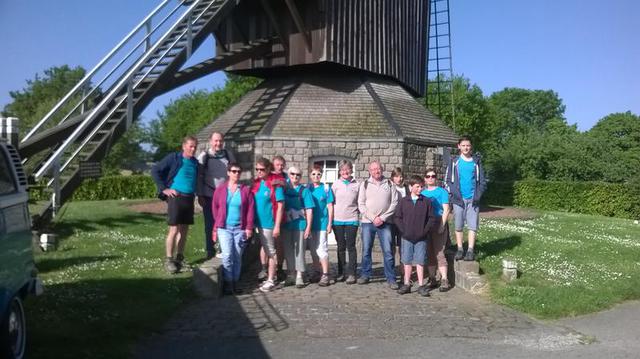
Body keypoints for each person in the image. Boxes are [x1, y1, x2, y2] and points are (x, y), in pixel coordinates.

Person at [151, 135, 199, 274]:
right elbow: (155, 170)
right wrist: (164, 189)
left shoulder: (195, 162)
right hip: (175, 198)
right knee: (174, 230)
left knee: (184, 231)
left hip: (189, 198)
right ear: (184, 146)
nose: (193, 149)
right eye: (190, 146)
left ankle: (179, 258)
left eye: (195, 146)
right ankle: (169, 260)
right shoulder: (174, 158)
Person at [212, 163, 255, 295]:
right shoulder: (220, 189)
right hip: (224, 228)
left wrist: (248, 227)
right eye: (234, 171)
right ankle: (228, 283)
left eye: (238, 171)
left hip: (240, 228)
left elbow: (250, 210)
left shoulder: (245, 190)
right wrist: (216, 225)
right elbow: (215, 208)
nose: (236, 174)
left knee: (237, 256)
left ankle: (234, 283)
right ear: (228, 173)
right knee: (227, 255)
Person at [357, 161, 399, 289]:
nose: (376, 171)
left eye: (378, 169)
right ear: (369, 171)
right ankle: (365, 274)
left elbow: (394, 203)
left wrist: (382, 217)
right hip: (367, 222)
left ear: (382, 169)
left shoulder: (390, 184)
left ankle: (391, 278)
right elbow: (361, 204)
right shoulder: (364, 184)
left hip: (385, 222)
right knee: (366, 250)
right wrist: (373, 217)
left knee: (388, 251)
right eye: (374, 169)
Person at [445, 136, 487, 261]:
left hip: (473, 199)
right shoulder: (454, 161)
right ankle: (459, 249)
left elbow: (482, 181)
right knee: (458, 225)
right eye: (463, 145)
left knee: (473, 226)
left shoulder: (476, 162)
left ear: (471, 147)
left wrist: (478, 195)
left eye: (468, 145)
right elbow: (448, 180)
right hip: (459, 199)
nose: (466, 148)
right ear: (459, 146)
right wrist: (454, 194)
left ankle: (470, 250)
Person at [394, 175, 437, 296]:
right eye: (417, 187)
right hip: (406, 237)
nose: (420, 189)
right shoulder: (403, 201)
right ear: (410, 186)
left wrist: (424, 231)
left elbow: (431, 218)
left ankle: (421, 285)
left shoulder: (426, 201)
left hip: (421, 237)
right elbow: (397, 218)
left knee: (420, 261)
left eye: (421, 187)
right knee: (407, 261)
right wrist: (403, 231)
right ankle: (407, 283)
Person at [197, 132, 236, 260]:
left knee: (225, 222)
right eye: (215, 141)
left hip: (225, 195)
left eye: (220, 141)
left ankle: (223, 248)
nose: (218, 143)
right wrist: (200, 195)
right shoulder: (204, 156)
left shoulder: (228, 155)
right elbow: (199, 177)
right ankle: (210, 250)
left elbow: (234, 174)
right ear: (210, 141)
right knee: (210, 223)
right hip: (209, 195)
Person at [251, 158, 285, 293]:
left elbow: (281, 205)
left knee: (271, 252)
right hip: (259, 223)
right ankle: (270, 276)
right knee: (266, 249)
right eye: (257, 169)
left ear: (268, 169)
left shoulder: (275, 183)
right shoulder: (257, 183)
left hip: (269, 223)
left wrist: (277, 225)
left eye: (262, 169)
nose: (259, 172)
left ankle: (271, 279)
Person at [282, 166, 314, 288]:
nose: (295, 177)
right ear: (288, 175)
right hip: (286, 224)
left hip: (300, 224)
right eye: (292, 174)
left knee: (300, 249)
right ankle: (291, 274)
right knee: (288, 249)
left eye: (298, 175)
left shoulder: (304, 191)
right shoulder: (284, 189)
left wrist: (308, 227)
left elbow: (309, 209)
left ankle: (300, 274)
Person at [421, 168, 452, 292]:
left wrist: (442, 225)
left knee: (439, 252)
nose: (430, 178)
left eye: (433, 176)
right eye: (428, 176)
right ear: (425, 178)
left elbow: (446, 209)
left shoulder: (442, 192)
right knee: (429, 254)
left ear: (436, 177)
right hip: (427, 225)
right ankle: (432, 278)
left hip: (438, 222)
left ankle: (444, 279)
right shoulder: (422, 193)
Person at [332, 160, 360, 284]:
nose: (345, 172)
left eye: (347, 169)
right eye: (342, 170)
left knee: (351, 247)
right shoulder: (335, 185)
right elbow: (330, 203)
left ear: (351, 170)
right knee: (340, 247)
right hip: (337, 220)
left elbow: (361, 202)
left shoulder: (357, 184)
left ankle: (352, 273)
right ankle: (341, 272)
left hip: (351, 219)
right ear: (339, 172)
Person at [307, 165, 334, 287]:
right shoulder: (307, 189)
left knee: (322, 249)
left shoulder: (326, 189)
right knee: (313, 250)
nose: (316, 176)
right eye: (313, 174)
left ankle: (325, 274)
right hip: (311, 225)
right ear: (310, 175)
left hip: (322, 224)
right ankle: (317, 271)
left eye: (318, 174)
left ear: (321, 175)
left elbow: (330, 207)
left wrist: (330, 223)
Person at [271, 155, 288, 280]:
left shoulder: (286, 177)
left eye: (282, 165)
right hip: (269, 214)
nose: (280, 167)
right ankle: (265, 269)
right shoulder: (268, 176)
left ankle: (280, 267)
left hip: (282, 214)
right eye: (277, 164)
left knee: (280, 243)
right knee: (266, 244)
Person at [390, 167, 408, 268]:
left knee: (403, 247)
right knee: (391, 246)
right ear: (393, 177)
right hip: (391, 221)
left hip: (403, 221)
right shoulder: (389, 187)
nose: (399, 179)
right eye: (396, 176)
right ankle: (392, 268)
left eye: (401, 177)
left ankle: (403, 269)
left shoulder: (406, 188)